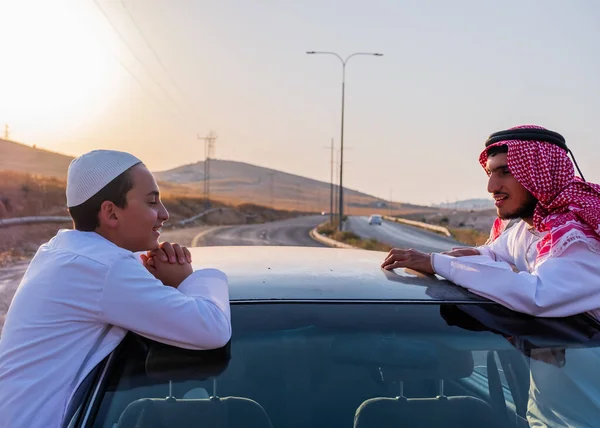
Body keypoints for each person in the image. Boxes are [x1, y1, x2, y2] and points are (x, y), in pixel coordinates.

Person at [0, 150, 232, 428]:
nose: (164, 214)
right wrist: (187, 280)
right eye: (152, 202)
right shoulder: (105, 268)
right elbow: (213, 329)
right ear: (110, 212)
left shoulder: (63, 251)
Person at [382, 125, 600, 320]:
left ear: (542, 174)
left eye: (505, 172)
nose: (491, 187)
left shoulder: (577, 235)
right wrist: (473, 256)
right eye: (490, 173)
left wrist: (437, 264)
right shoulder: (530, 228)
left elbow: (538, 295)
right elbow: (496, 253)